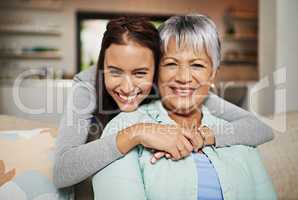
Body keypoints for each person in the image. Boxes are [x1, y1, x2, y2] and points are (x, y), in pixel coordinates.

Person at [53, 16, 273, 189]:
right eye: (115, 71)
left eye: (140, 73)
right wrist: (136, 133)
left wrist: (201, 135)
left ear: (156, 67)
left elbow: (258, 128)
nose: (128, 87)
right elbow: (62, 171)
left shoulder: (170, 86)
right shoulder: (87, 87)